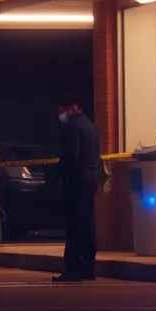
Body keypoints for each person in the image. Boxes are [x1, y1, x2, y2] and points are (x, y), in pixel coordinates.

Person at [52, 94, 100, 282]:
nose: (60, 115)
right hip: (91, 178)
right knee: (88, 223)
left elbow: (70, 157)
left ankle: (73, 269)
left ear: (71, 107)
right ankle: (89, 267)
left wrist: (61, 179)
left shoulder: (72, 126)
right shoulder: (89, 125)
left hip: (76, 180)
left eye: (61, 111)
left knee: (74, 224)